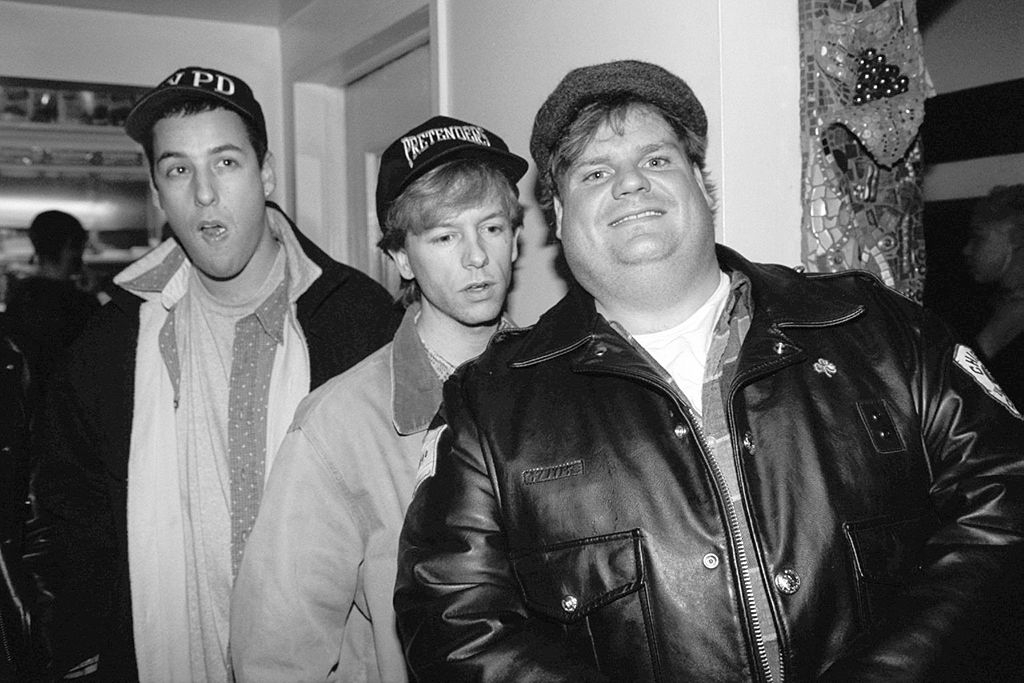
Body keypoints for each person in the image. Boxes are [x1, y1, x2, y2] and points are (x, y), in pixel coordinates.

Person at [394, 59, 1024, 681]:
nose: (631, 182)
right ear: (557, 216)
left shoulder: (879, 329)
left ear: (702, 183)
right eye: (595, 172)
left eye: (657, 160)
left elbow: (1004, 509)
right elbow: (454, 622)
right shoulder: (489, 405)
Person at [26, 65, 400, 682]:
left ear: (265, 173)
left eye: (225, 162)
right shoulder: (109, 343)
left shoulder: (359, 322)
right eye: (178, 170)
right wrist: (82, 648)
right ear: (156, 192)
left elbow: (404, 523)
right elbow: (71, 523)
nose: (204, 194)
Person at [230, 115, 527, 682]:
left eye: (491, 227)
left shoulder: (562, 387)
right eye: (444, 236)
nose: (476, 257)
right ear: (403, 259)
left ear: (515, 239)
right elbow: (277, 657)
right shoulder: (337, 426)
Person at [4, 210, 100, 405]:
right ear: (70, 246)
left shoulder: (19, 297)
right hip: (70, 406)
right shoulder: (81, 304)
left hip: (28, 405)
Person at [962, 184, 1024, 409]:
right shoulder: (980, 305)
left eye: (978, 238)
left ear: (1016, 237)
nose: (967, 250)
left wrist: (990, 340)